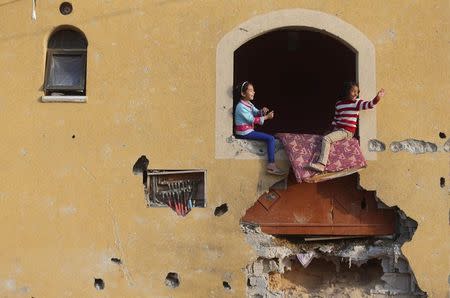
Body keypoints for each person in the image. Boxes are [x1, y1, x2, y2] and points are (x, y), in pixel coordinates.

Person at [309, 82, 385, 172]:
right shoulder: (339, 104)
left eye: (357, 92)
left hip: (347, 131)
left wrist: (377, 98)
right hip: (338, 129)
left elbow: (369, 104)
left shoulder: (357, 103)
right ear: (346, 91)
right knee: (324, 138)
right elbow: (336, 119)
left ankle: (321, 164)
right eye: (353, 91)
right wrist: (330, 131)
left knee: (326, 139)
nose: (356, 94)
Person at [234, 81, 285, 175]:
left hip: (248, 131)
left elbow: (256, 112)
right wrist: (267, 117)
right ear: (243, 93)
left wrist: (262, 111)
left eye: (253, 90)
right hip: (244, 132)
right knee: (270, 138)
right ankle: (271, 165)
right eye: (250, 90)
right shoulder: (240, 107)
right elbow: (252, 120)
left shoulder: (248, 104)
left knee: (272, 137)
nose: (253, 92)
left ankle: (272, 164)